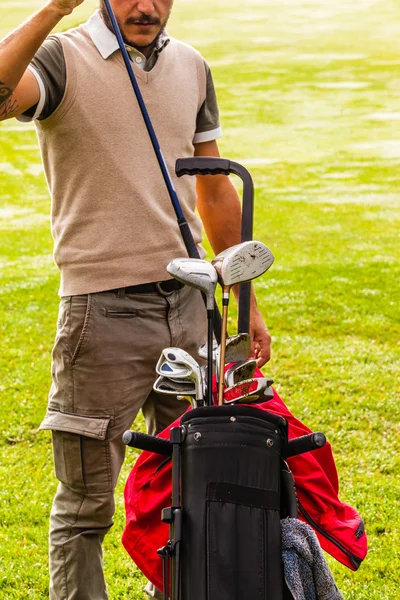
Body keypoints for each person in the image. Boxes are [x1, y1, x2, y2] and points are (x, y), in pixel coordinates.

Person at [0, 1, 272, 597]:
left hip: (191, 306)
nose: (145, 6)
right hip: (101, 314)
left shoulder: (192, 66)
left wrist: (244, 302)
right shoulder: (62, 60)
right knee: (85, 507)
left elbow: (213, 187)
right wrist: (54, 9)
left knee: (199, 490)